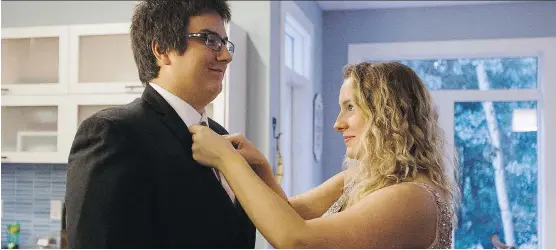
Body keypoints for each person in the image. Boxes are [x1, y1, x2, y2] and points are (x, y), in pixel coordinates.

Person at [189, 61, 461, 248]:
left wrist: (226, 159)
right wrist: (260, 167)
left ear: (389, 114)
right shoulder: (358, 178)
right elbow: (289, 215)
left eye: (350, 107)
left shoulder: (413, 198)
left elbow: (296, 240)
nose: (337, 123)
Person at [64, 0, 255, 248]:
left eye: (224, 42)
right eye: (209, 39)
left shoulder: (221, 136)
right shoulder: (113, 133)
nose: (226, 56)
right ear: (162, 50)